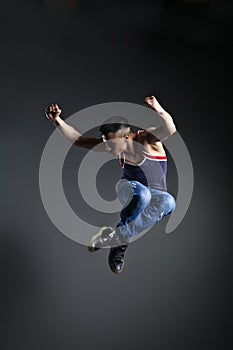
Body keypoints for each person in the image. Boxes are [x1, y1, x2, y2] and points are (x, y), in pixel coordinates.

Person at [45, 95, 176, 274]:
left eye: (111, 143)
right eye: (106, 142)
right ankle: (120, 243)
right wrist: (57, 121)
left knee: (169, 202)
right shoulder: (112, 146)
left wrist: (158, 109)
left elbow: (170, 129)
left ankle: (117, 238)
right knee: (142, 195)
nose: (107, 148)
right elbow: (78, 139)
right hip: (130, 189)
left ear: (127, 137)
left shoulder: (146, 140)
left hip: (157, 195)